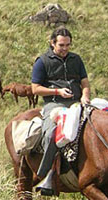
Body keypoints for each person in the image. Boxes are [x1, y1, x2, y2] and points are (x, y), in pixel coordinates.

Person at [30, 27, 90, 195]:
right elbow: (35, 89)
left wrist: (85, 96)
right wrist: (57, 92)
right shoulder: (42, 61)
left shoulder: (76, 59)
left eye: (68, 45)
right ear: (52, 43)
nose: (65, 49)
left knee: (103, 124)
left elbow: (84, 82)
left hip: (77, 104)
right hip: (54, 105)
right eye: (61, 45)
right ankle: (45, 175)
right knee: (51, 134)